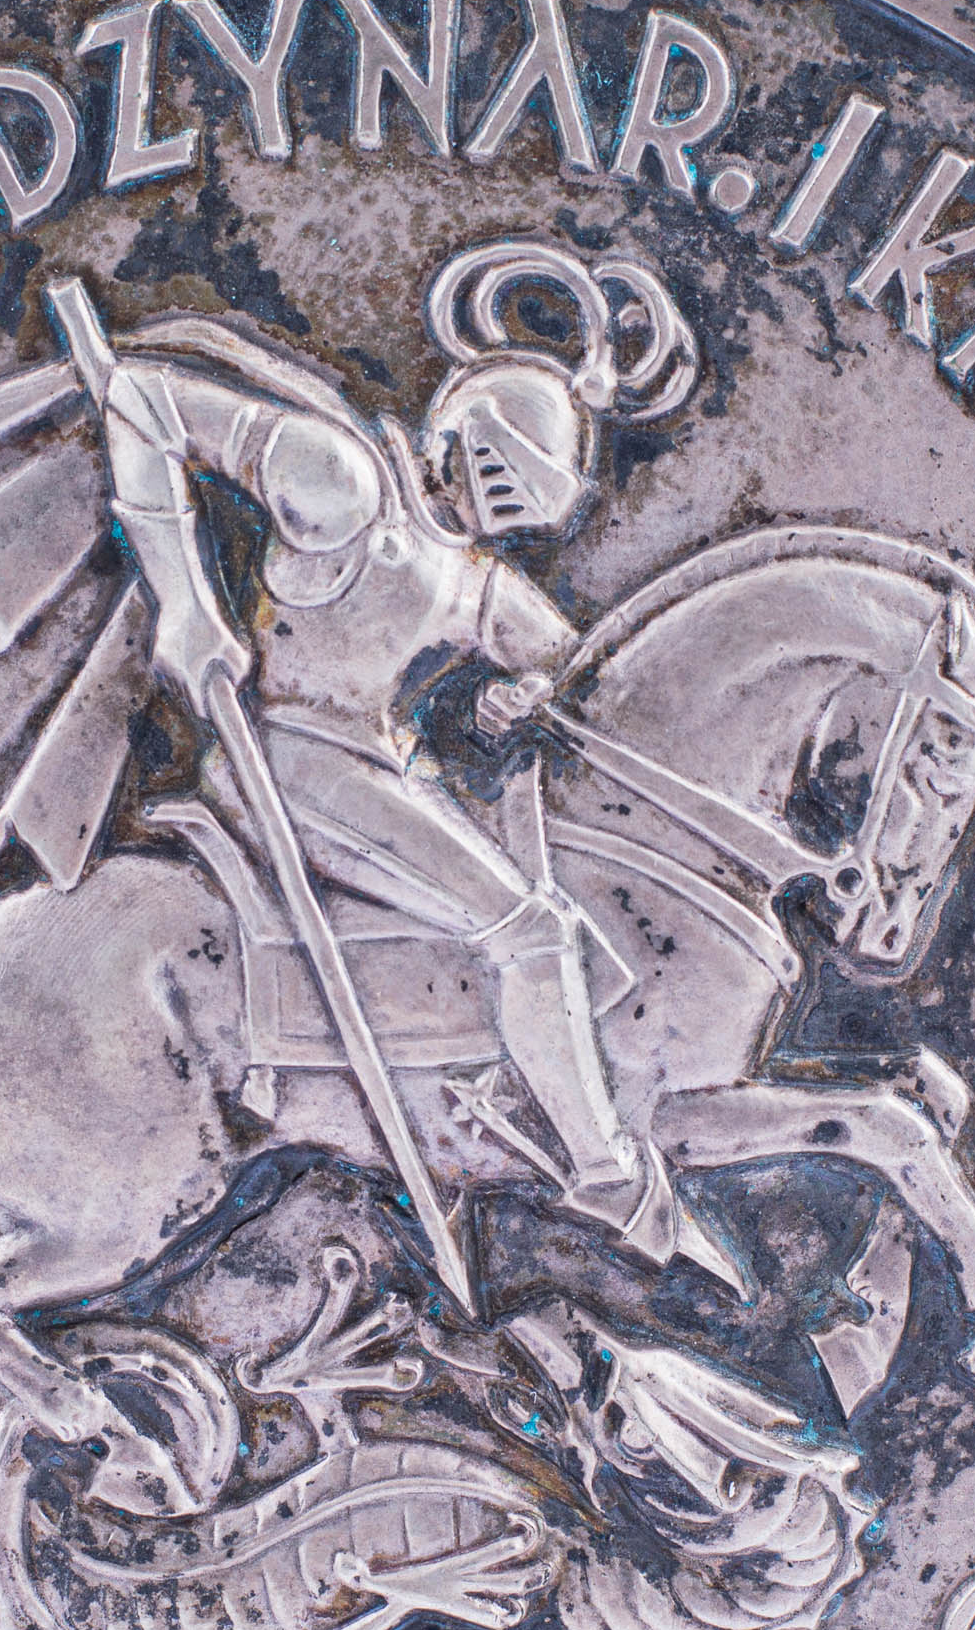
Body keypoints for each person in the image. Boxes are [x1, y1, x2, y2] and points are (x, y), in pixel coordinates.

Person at [84, 241, 736, 1287]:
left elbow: (573, 664)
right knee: (530, 930)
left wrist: (507, 696)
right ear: (471, 445)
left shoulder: (464, 568)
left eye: (520, 517)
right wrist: (187, 604)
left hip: (382, 767)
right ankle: (606, 1175)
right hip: (292, 763)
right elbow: (141, 399)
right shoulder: (341, 484)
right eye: (502, 493)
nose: (500, 525)